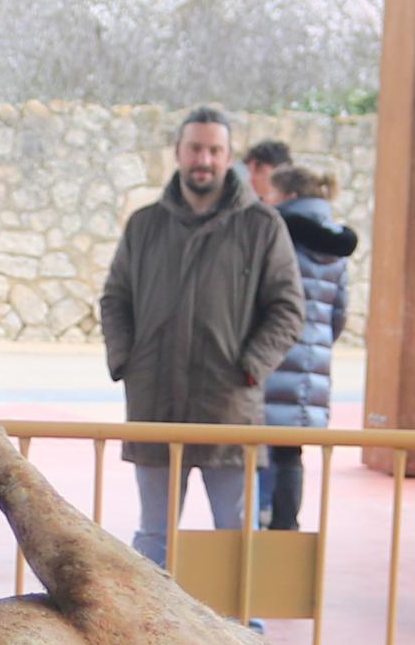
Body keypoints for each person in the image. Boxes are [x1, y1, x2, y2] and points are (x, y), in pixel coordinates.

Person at [99, 105, 302, 566]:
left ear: (229, 157)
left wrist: (250, 369)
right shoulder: (145, 225)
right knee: (154, 537)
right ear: (178, 152)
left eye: (215, 150)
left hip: (228, 409)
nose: (204, 160)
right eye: (195, 148)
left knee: (236, 537)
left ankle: (246, 634)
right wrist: (126, 361)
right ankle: (147, 637)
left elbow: (288, 309)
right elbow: (115, 299)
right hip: (154, 405)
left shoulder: (262, 226)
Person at [259, 162, 358, 532]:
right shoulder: (337, 244)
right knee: (290, 454)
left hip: (271, 356)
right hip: (311, 365)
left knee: (257, 448)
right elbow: (339, 313)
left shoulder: (275, 232)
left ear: (288, 196)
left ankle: (259, 521)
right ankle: (287, 528)